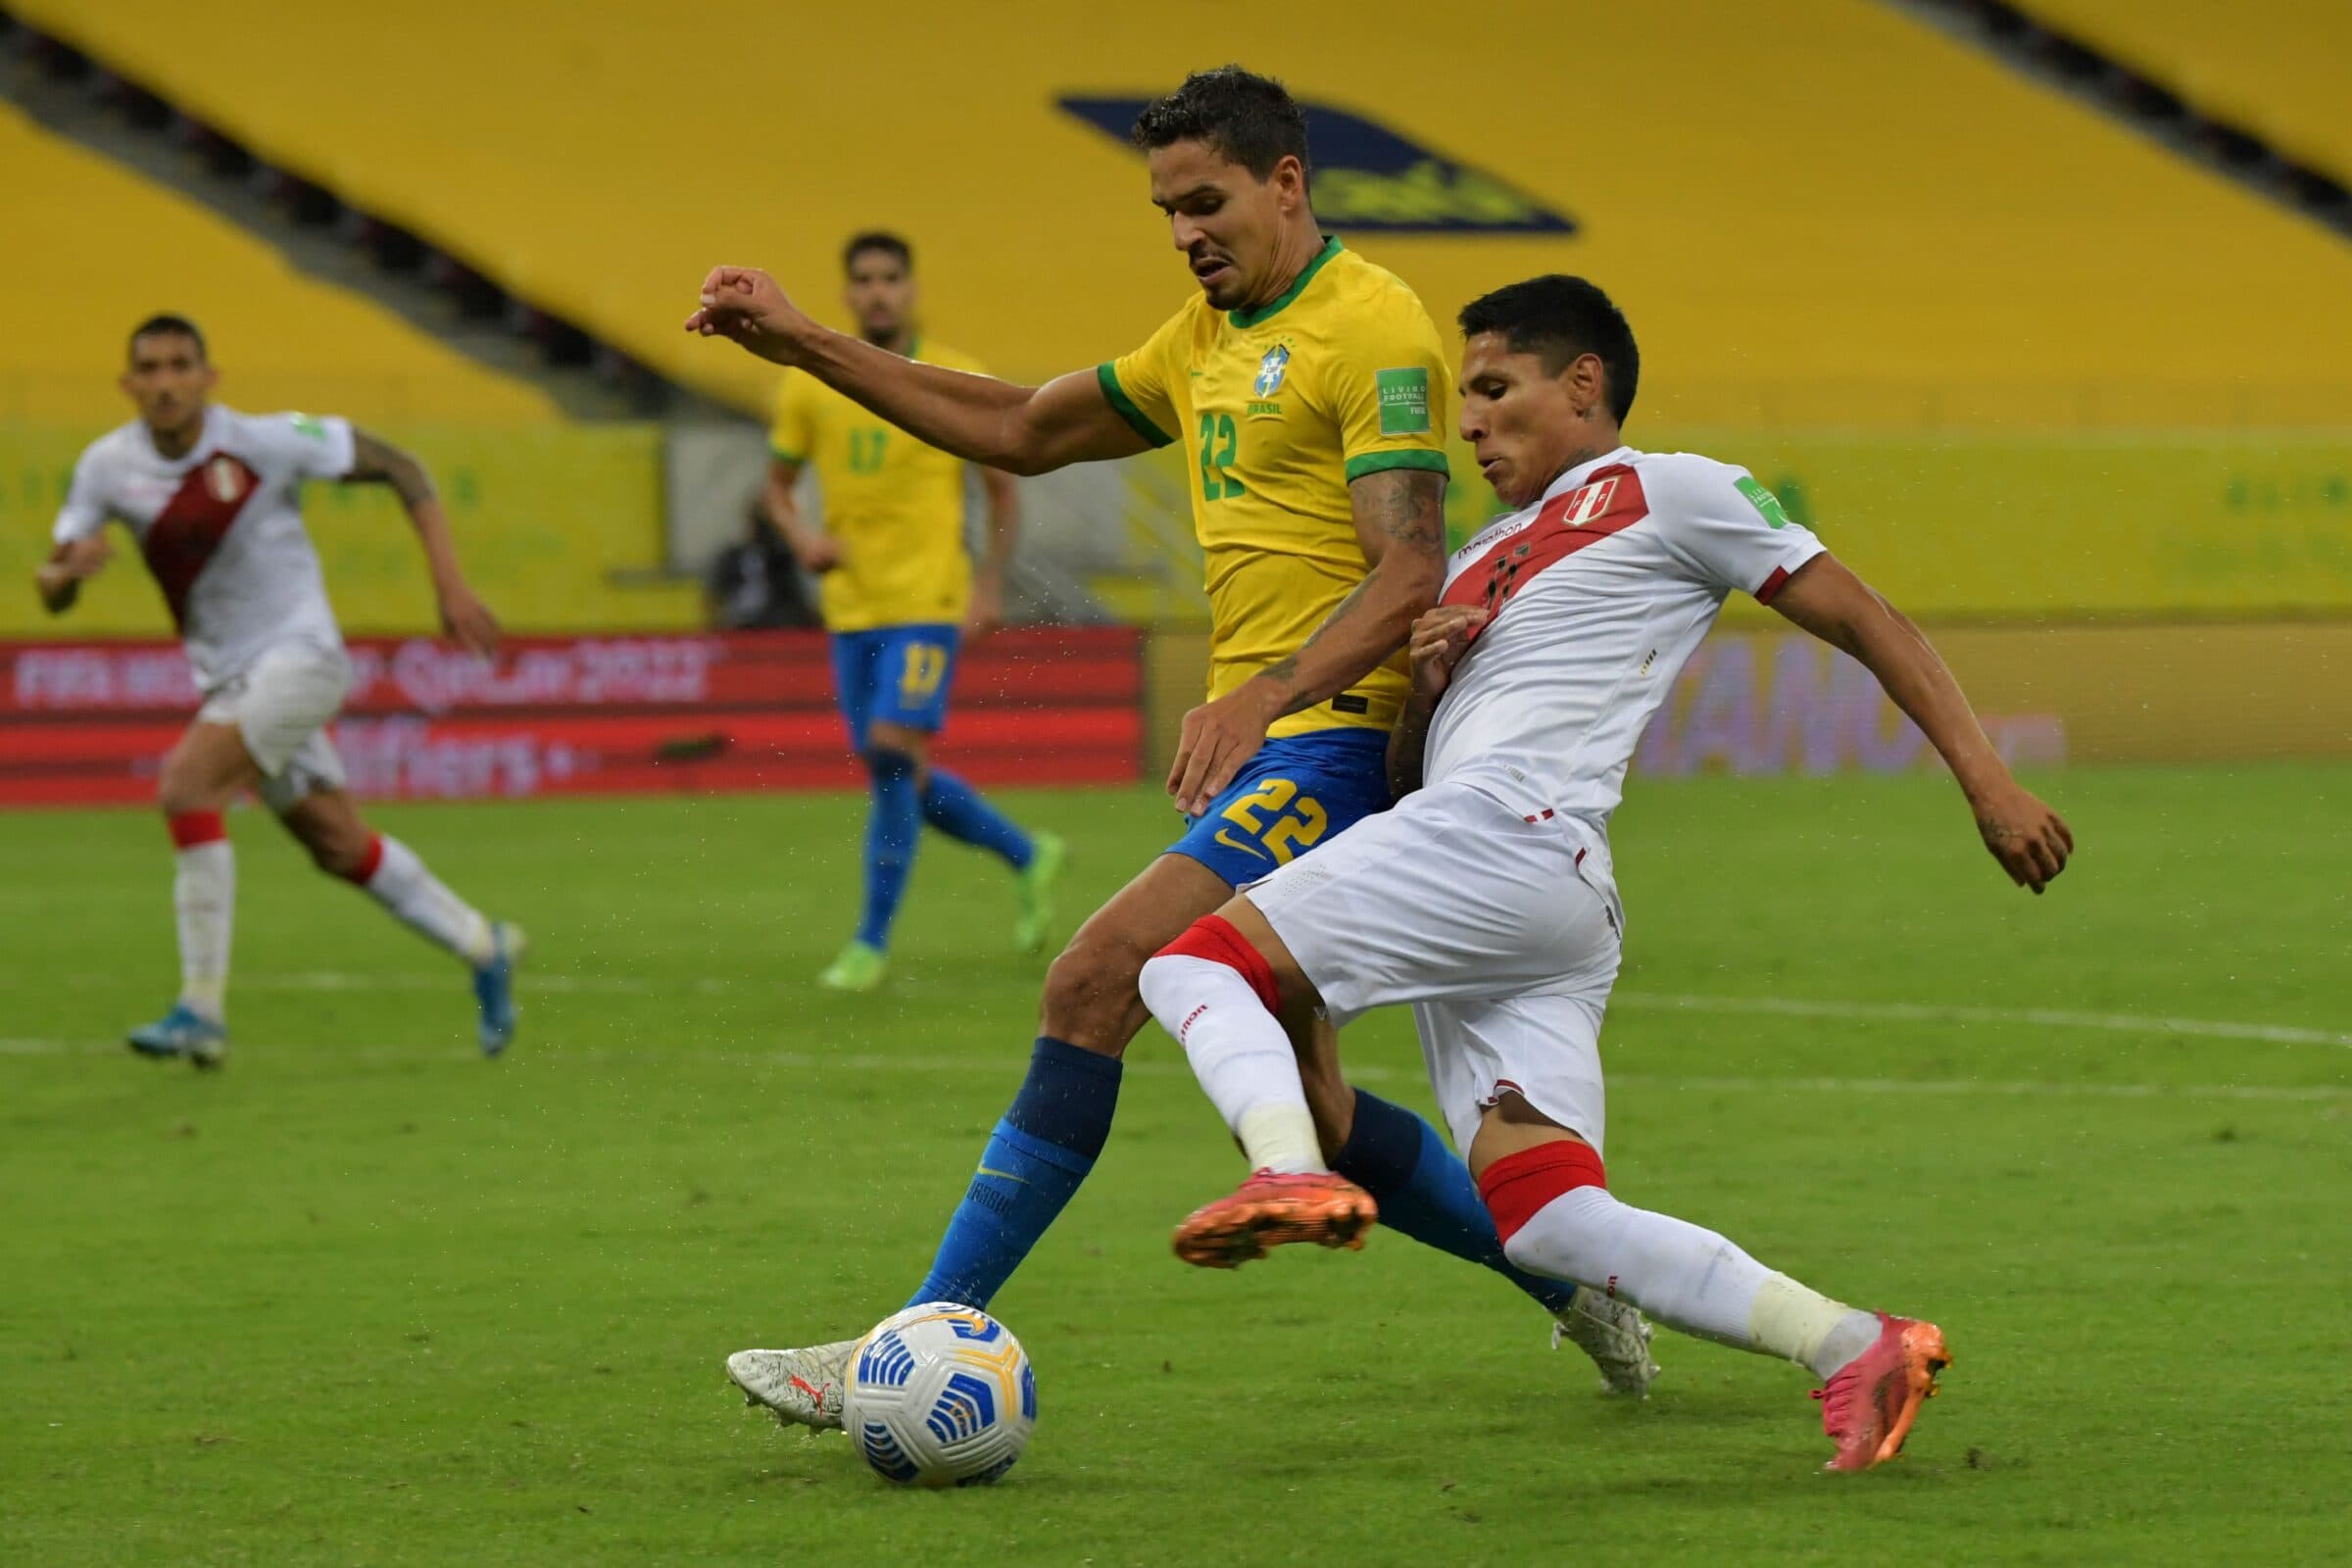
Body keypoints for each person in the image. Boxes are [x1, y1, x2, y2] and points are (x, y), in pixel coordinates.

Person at [689, 69, 1655, 1431]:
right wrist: (803, 347)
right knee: (1319, 1117)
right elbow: (1023, 430)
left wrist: (1265, 691)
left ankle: (901, 1342)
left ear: (1286, 184)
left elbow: (1409, 568)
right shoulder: (1205, 335)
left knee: (1095, 977)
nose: (1187, 231)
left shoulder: (1370, 325)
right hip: (1285, 744)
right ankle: (1571, 1272)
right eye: (1166, 209)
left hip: (1340, 744)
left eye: (1207, 202)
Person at [1135, 274, 2076, 1470]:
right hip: (1526, 885)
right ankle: (1856, 1342)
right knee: (1549, 1221)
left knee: (1188, 961)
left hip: (1513, 836)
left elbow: (1863, 616)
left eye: (1492, 388)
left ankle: (1285, 1169)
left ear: (1582, 384)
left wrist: (1986, 779)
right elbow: (1412, 777)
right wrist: (1425, 685)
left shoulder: (1668, 487)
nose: (1467, 422)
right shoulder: (1478, 559)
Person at [36, 315, 525, 1066]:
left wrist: (451, 586)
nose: (165, 382)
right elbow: (53, 581)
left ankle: (200, 1009)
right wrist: (63, 577)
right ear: (128, 383)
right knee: (338, 844)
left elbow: (403, 467)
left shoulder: (265, 442)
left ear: (208, 377)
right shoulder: (106, 467)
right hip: (231, 681)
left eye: (179, 366)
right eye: (150, 368)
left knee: (186, 786)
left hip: (303, 660)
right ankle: (484, 947)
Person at [761, 231, 1063, 989]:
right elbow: (775, 487)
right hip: (851, 604)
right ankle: (1028, 854)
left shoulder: (953, 376)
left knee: (894, 749)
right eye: (863, 280)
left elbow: (1002, 486)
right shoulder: (807, 385)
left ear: (912, 288)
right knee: (894, 769)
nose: (878, 292)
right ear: (846, 294)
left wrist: (989, 583)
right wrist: (802, 536)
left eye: (890, 278)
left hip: (928, 599)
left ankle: (869, 941)